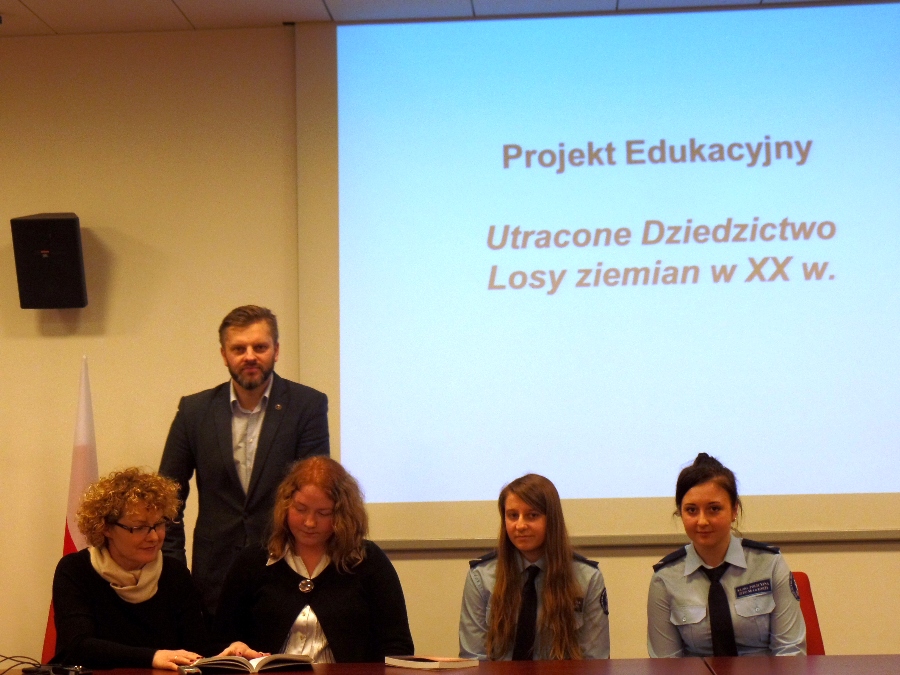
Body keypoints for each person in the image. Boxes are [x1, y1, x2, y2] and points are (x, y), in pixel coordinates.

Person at [159, 305, 329, 618]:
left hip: (286, 569)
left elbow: (316, 493)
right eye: (239, 349)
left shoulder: (307, 406)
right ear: (224, 354)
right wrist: (174, 569)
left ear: (276, 351)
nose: (250, 356)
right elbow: (167, 498)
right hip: (213, 578)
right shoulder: (194, 411)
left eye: (260, 347)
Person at [51, 468, 261, 670]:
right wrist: (152, 657)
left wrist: (229, 652)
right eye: (140, 527)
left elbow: (197, 648)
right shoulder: (75, 570)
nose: (154, 537)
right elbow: (77, 647)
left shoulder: (174, 573)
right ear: (106, 528)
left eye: (159, 524)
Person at [216, 456, 414, 662]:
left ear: (342, 514)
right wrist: (237, 650)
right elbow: (220, 642)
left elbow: (397, 648)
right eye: (300, 509)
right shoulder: (253, 562)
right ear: (286, 505)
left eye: (323, 513)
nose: (310, 522)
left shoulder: (368, 562)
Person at [647, 453, 806, 657]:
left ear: (734, 510)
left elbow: (790, 651)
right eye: (691, 510)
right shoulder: (665, 578)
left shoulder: (769, 564)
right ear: (680, 512)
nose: (702, 521)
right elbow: (666, 665)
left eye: (714, 509)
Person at [459, 474, 610, 660]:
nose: (520, 525)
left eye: (532, 515)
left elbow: (595, 661)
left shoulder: (587, 578)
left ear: (552, 519)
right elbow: (473, 659)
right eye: (513, 515)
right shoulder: (481, 577)